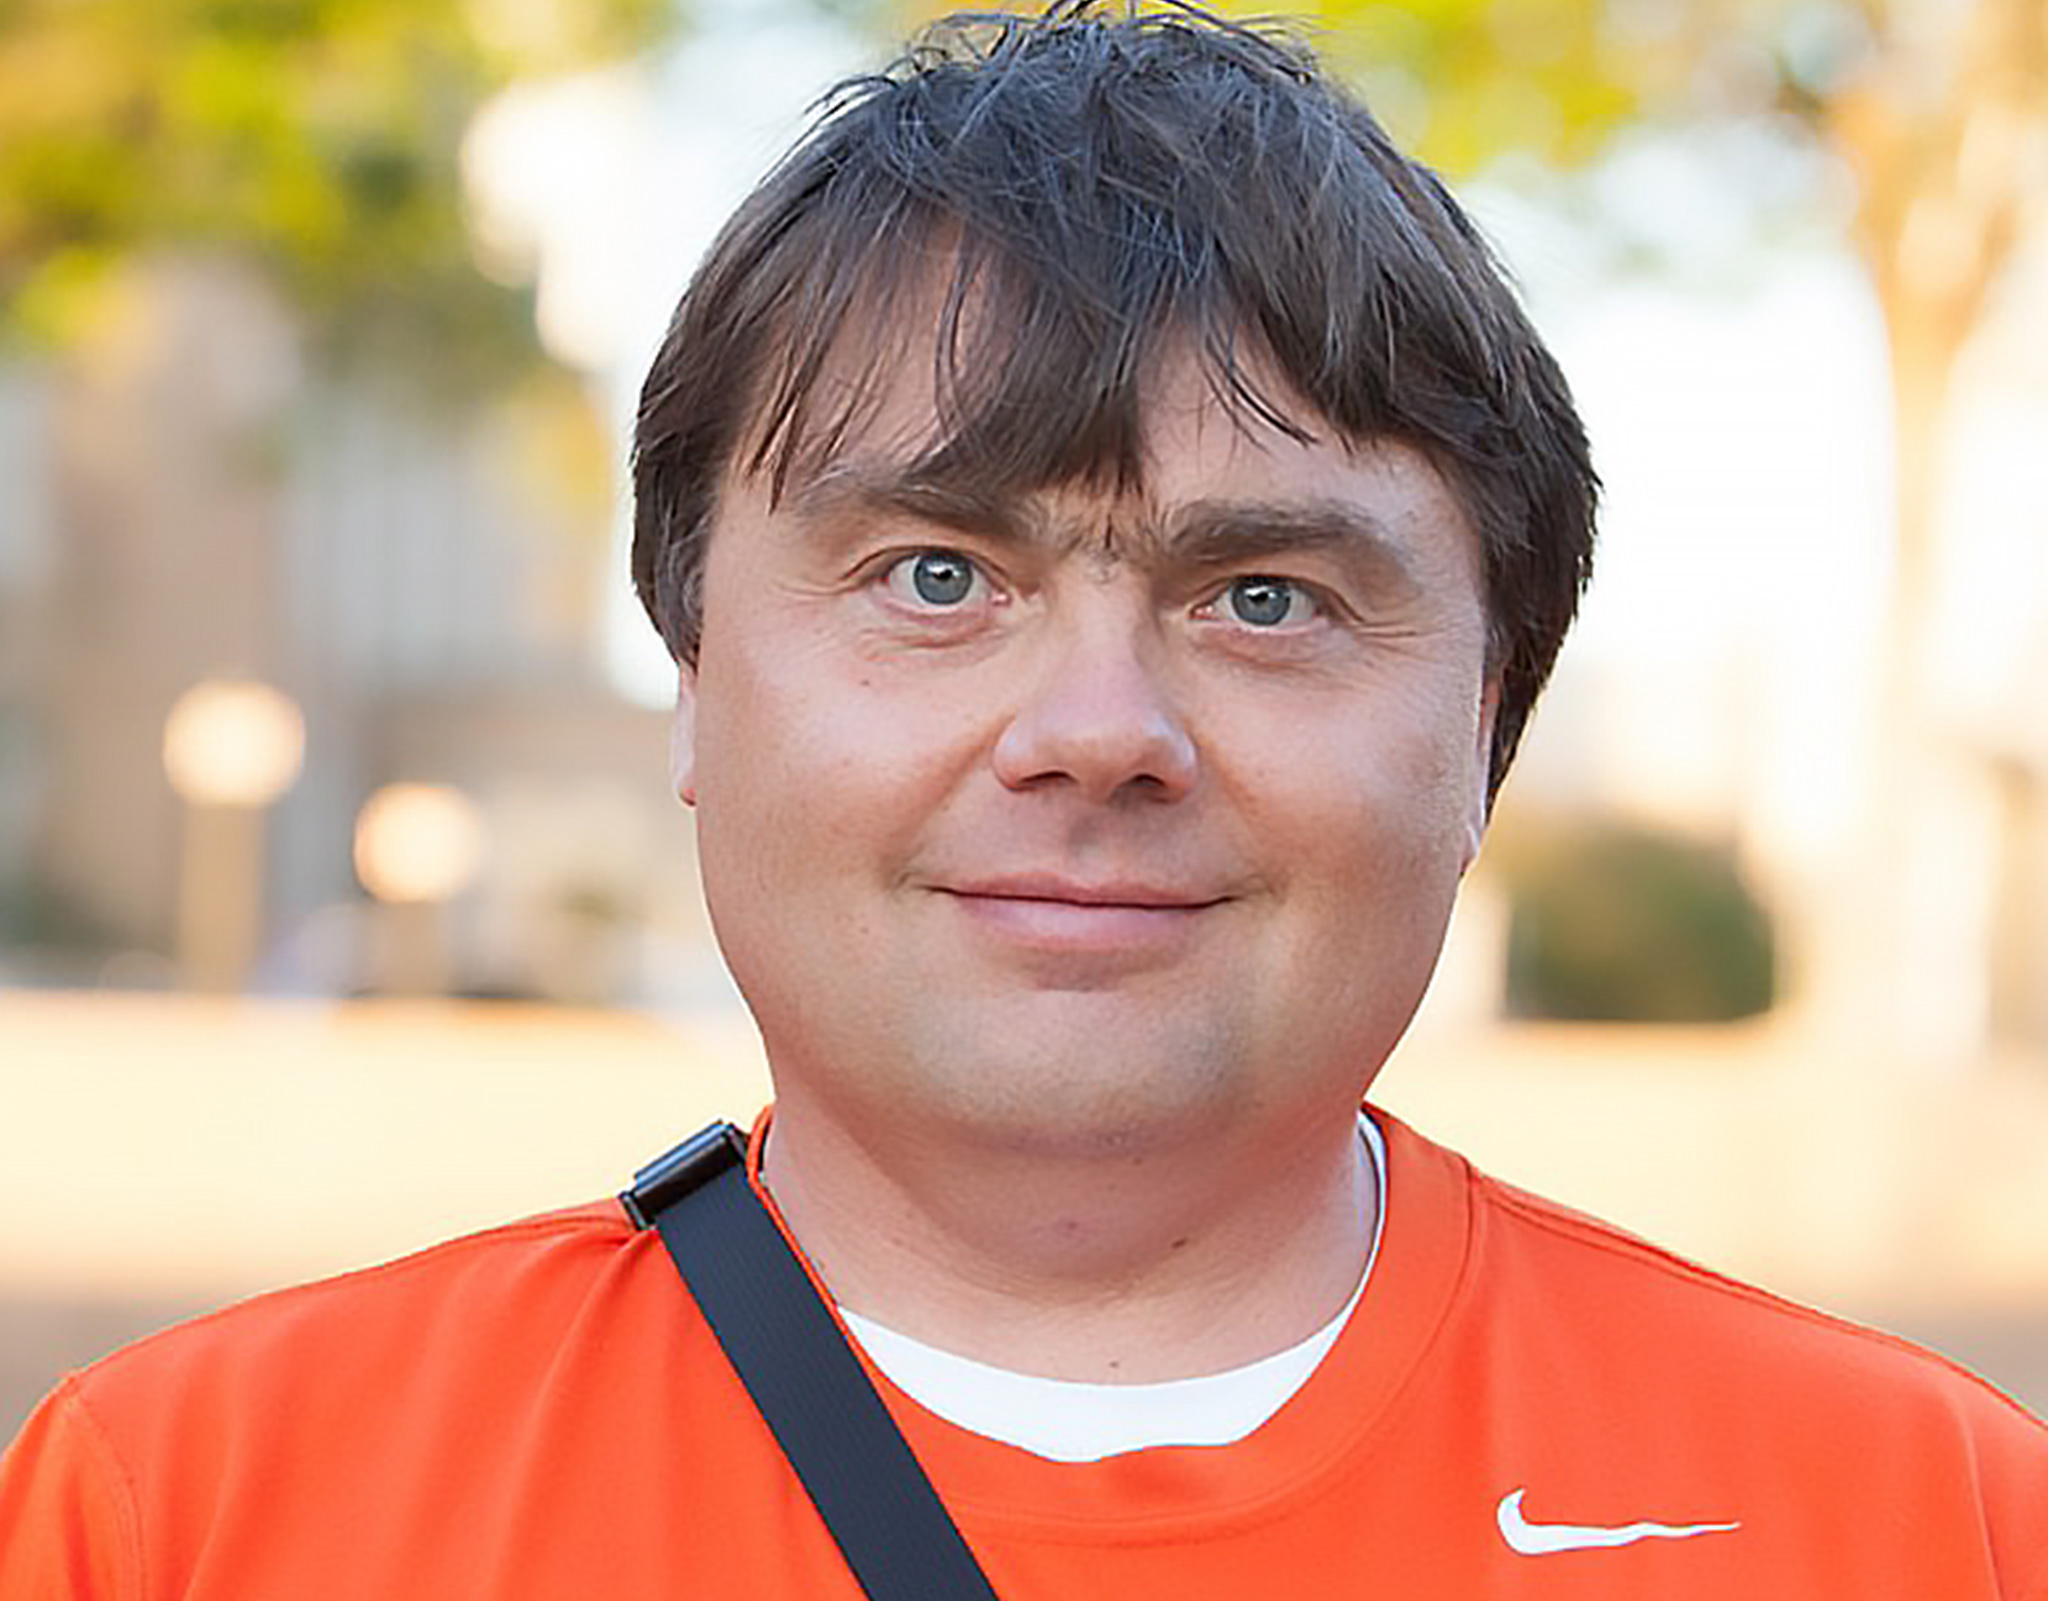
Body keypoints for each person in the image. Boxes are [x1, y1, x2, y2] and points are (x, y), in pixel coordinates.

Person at [4, 3, 2045, 1596]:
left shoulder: (1924, 1521)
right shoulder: (180, 1516)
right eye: (935, 576)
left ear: (1487, 722)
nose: (1095, 730)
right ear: (693, 679)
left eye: (1264, 597)